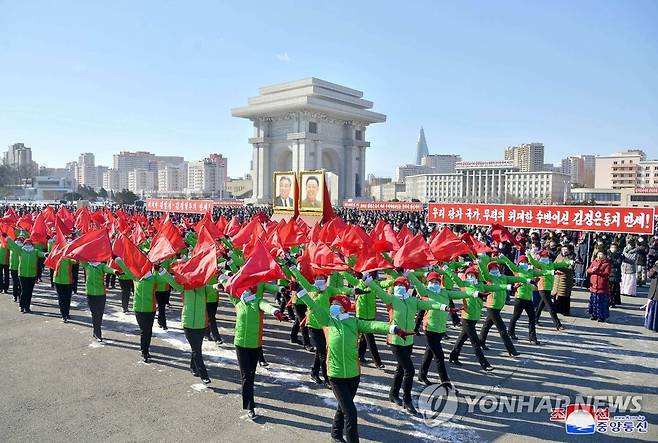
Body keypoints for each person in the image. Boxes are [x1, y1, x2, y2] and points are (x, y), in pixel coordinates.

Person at [297, 289, 411, 443]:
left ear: (344, 307)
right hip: (336, 375)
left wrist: (394, 329)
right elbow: (313, 305)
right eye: (332, 304)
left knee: (343, 407)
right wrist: (300, 291)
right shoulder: (328, 321)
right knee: (350, 413)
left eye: (336, 304)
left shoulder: (354, 323)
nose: (332, 306)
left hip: (353, 375)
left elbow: (373, 325)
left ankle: (336, 434)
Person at [367, 275, 451, 415]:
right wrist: (367, 280)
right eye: (396, 285)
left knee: (401, 368)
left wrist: (443, 307)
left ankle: (393, 394)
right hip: (396, 340)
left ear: (407, 287)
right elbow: (378, 291)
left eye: (401, 285)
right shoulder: (391, 299)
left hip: (409, 341)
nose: (398, 287)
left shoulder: (413, 301)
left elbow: (429, 304)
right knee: (409, 370)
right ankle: (407, 400)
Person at [221, 283, 287, 420]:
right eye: (243, 289)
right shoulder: (238, 302)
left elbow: (266, 306)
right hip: (240, 344)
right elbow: (228, 288)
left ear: (253, 291)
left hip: (254, 344)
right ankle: (250, 406)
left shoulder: (258, 302)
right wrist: (222, 284)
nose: (244, 291)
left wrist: (275, 311)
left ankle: (249, 398)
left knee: (251, 374)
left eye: (248, 289)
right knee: (246, 375)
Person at [288, 267, 354, 386]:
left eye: (322, 278)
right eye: (317, 278)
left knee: (321, 350)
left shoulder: (329, 290)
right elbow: (300, 278)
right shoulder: (310, 288)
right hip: (313, 325)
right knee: (323, 353)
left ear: (325, 279)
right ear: (314, 279)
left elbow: (341, 289)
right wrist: (292, 268)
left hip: (326, 325)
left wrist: (354, 291)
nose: (319, 280)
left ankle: (314, 372)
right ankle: (328, 379)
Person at [407, 271, 472, 387]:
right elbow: (417, 283)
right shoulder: (426, 292)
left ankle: (422, 374)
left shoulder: (444, 292)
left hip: (440, 328)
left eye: (437, 282)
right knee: (439, 357)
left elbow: (461, 294)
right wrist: (409, 273)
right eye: (432, 282)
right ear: (428, 283)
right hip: (430, 328)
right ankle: (445, 382)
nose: (434, 284)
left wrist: (475, 293)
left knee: (429, 352)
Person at [115, 258, 178, 362]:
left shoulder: (154, 278)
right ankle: (144, 350)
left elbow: (169, 279)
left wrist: (161, 270)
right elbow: (126, 269)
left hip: (150, 309)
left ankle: (145, 351)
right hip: (138, 309)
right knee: (144, 330)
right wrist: (117, 259)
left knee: (148, 331)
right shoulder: (135, 277)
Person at [477, 257, 527, 356]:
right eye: (492, 269)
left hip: (499, 306)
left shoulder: (503, 277)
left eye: (496, 268)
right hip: (492, 306)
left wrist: (527, 280)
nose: (494, 270)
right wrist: (480, 263)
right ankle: (511, 350)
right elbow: (483, 272)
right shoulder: (489, 278)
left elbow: (516, 278)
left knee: (487, 325)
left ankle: (481, 342)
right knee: (502, 329)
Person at [499, 255, 543, 345]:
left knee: (532, 317)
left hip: (528, 298)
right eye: (522, 262)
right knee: (516, 316)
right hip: (519, 297)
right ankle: (510, 332)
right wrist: (503, 257)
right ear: (519, 263)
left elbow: (541, 272)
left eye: (525, 262)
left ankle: (533, 337)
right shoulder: (517, 270)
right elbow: (509, 263)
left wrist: (552, 272)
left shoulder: (531, 271)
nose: (524, 263)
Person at [6, 237, 47, 313]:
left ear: (32, 244)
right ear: (24, 244)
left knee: (29, 291)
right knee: (24, 291)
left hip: (32, 275)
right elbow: (14, 245)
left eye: (29, 243)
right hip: (22, 274)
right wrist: (8, 238)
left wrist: (45, 254)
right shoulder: (21, 250)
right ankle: (21, 306)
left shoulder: (35, 251)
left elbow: (41, 254)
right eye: (26, 243)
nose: (28, 244)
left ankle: (27, 307)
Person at [80, 260, 116, 342]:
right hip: (90, 293)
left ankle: (96, 330)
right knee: (95, 313)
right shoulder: (87, 265)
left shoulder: (101, 266)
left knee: (99, 314)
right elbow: (80, 258)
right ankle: (97, 332)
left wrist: (115, 271)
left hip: (101, 293)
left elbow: (109, 269)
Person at [552, 244, 577, 316]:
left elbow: (571, 269)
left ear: (569, 251)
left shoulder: (571, 258)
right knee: (556, 295)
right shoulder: (559, 256)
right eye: (563, 249)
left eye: (566, 250)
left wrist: (560, 267)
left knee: (564, 296)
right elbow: (554, 264)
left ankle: (565, 311)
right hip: (557, 278)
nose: (564, 251)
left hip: (566, 279)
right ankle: (557, 309)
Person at [587, 251, 611, 322]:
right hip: (594, 285)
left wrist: (598, 271)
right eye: (599, 254)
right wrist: (592, 270)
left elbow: (607, 273)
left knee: (601, 302)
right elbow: (588, 270)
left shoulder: (607, 263)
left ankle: (601, 316)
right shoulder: (594, 262)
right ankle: (594, 314)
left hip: (602, 285)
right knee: (593, 301)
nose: (600, 256)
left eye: (601, 254)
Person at [53, 257, 75, 322]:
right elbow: (50, 258)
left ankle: (67, 313)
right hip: (58, 280)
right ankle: (63, 314)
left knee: (67, 298)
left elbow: (75, 261)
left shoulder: (69, 256)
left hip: (68, 280)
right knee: (61, 298)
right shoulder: (56, 254)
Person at [643, 260, 658, 332]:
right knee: (652, 310)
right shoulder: (655, 266)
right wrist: (655, 268)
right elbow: (650, 275)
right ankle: (651, 325)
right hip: (653, 291)